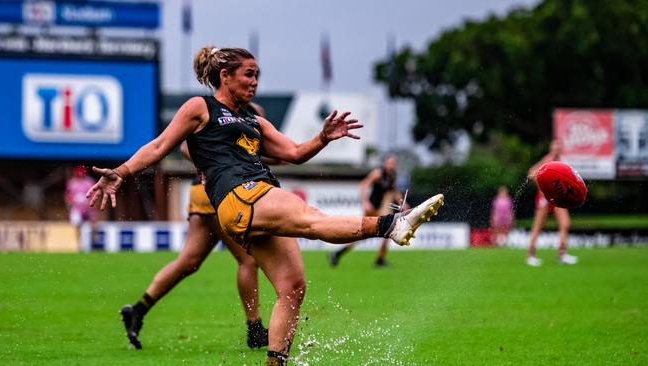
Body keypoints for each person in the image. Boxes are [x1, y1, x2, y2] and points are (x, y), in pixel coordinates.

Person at [87, 45, 444, 365]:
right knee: (310, 219)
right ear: (224, 76)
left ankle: (275, 362)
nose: (255, 82)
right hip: (239, 196)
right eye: (248, 74)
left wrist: (322, 138)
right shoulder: (201, 107)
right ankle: (391, 226)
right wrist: (121, 172)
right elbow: (159, 145)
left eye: (258, 75)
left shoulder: (254, 119)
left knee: (292, 286)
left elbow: (293, 153)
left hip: (257, 196)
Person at [119, 104, 270, 351]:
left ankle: (137, 310)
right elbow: (185, 147)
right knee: (248, 261)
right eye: (248, 74)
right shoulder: (242, 111)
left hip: (201, 193)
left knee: (188, 261)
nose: (252, 82)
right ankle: (254, 329)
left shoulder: (235, 111)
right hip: (221, 193)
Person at [328, 154, 407, 267]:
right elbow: (363, 184)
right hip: (371, 208)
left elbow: (394, 191)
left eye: (393, 163)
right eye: (390, 163)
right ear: (385, 163)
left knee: (386, 231)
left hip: (379, 210)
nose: (391, 165)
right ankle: (338, 253)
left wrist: (403, 204)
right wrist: (365, 202)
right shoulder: (378, 173)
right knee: (363, 235)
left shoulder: (392, 176)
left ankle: (379, 259)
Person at [526, 140, 578, 267]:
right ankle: (531, 256)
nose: (556, 150)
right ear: (550, 149)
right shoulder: (547, 160)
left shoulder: (564, 163)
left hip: (558, 199)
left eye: (558, 148)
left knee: (565, 224)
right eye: (553, 148)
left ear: (560, 149)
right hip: (545, 198)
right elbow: (531, 173)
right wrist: (543, 186)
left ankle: (562, 255)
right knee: (538, 226)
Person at [65, 165, 97, 242]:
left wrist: (92, 204)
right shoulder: (72, 183)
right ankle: (78, 242)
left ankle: (94, 242)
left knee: (94, 225)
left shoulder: (89, 181)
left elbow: (95, 194)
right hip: (76, 208)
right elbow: (67, 196)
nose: (80, 175)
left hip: (88, 207)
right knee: (76, 224)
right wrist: (71, 203)